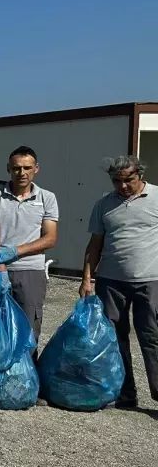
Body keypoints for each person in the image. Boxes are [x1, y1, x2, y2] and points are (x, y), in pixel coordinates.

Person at [80, 155, 158, 409]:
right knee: (114, 337)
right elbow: (95, 244)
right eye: (117, 181)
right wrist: (87, 278)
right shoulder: (103, 205)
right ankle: (125, 394)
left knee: (152, 337)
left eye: (129, 180)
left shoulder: (156, 197)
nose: (123, 186)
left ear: (140, 176)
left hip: (151, 281)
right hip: (111, 282)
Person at [0, 145, 59, 340]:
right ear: (8, 168)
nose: (22, 173)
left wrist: (15, 251)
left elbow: (50, 239)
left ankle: (28, 370)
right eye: (17, 168)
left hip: (31, 271)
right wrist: (0, 266)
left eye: (27, 168)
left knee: (28, 329)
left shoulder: (47, 198)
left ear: (36, 169)